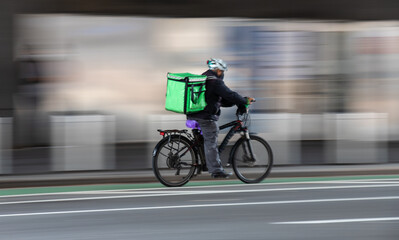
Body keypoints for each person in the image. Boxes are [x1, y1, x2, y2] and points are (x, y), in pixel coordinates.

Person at [187, 58, 254, 178]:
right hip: (205, 117)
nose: (222, 74)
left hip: (194, 115)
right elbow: (230, 94)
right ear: (218, 70)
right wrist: (244, 100)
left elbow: (221, 100)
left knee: (207, 139)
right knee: (211, 140)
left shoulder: (204, 77)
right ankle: (216, 170)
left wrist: (237, 102)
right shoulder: (215, 82)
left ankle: (204, 162)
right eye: (222, 71)